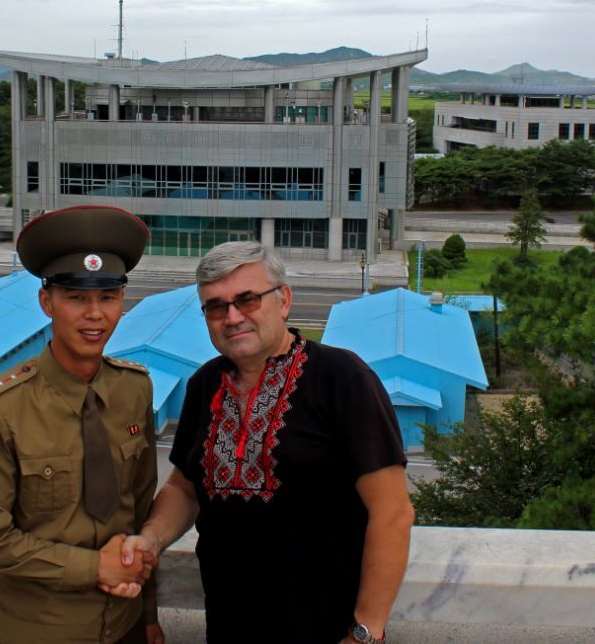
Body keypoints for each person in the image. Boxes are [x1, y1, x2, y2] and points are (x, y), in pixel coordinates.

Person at [114, 241, 414, 643]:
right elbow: (184, 489)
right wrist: (149, 539)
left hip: (326, 629)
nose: (232, 317)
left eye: (247, 299)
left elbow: (392, 512)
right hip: (228, 625)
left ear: (284, 300)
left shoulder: (342, 378)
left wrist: (365, 630)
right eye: (216, 306)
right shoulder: (205, 384)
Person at [0, 205, 165, 644]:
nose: (95, 314)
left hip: (125, 627)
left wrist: (147, 615)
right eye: (76, 297)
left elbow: (139, 510)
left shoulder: (135, 389)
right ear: (47, 301)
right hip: (38, 633)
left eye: (108, 297)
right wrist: (94, 568)